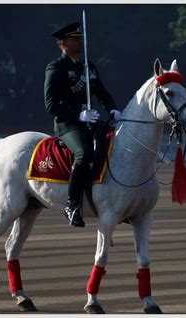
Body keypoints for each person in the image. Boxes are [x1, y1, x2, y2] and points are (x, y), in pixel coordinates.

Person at [44, 22, 121, 227]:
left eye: (81, 38)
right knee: (84, 154)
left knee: (114, 142)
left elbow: (101, 92)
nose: (80, 41)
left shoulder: (88, 66)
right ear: (63, 43)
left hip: (90, 121)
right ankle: (72, 205)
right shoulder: (56, 68)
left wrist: (112, 108)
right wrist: (79, 116)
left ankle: (112, 199)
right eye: (75, 38)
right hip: (68, 124)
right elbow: (50, 104)